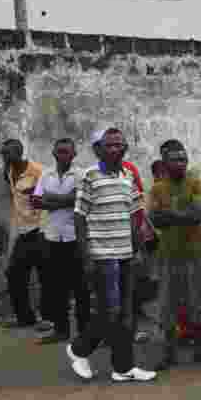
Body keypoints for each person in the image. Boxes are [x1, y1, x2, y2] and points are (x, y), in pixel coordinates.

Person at [66, 128, 156, 382]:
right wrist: (86, 257)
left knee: (126, 314)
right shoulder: (89, 177)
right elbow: (79, 217)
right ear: (100, 149)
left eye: (120, 145)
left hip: (126, 254)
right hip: (102, 255)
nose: (116, 149)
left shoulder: (128, 176)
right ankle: (78, 349)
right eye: (110, 145)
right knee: (111, 311)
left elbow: (134, 217)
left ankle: (123, 368)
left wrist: (139, 251)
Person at [148, 139, 201, 370]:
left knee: (196, 301)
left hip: (193, 253)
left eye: (184, 159)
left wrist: (170, 215)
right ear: (165, 163)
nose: (181, 163)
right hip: (167, 255)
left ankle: (198, 350)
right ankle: (168, 353)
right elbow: (155, 219)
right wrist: (181, 215)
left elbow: (196, 216)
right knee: (167, 304)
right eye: (175, 159)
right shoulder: (157, 188)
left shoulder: (198, 184)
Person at [30, 138, 90, 345]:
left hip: (76, 237)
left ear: (74, 155)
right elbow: (36, 202)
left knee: (81, 287)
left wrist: (51, 199)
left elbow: (79, 200)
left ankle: (85, 332)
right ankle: (61, 330)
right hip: (53, 237)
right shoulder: (45, 174)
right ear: (54, 154)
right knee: (56, 287)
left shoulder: (82, 175)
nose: (63, 155)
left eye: (67, 152)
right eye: (60, 152)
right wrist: (65, 199)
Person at [0, 138, 47, 330]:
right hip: (23, 230)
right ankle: (25, 317)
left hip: (40, 228)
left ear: (19, 152)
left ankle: (49, 318)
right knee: (14, 273)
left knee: (45, 275)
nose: (4, 157)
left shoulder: (37, 171)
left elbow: (47, 196)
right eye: (3, 154)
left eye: (7, 153)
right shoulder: (8, 171)